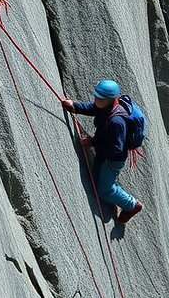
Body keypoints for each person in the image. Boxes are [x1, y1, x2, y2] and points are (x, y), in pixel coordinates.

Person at [61, 79, 143, 224]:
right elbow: (93, 108)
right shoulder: (107, 106)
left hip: (113, 160)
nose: (97, 100)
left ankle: (131, 205)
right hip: (104, 153)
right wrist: (74, 107)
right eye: (96, 96)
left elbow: (115, 149)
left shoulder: (116, 121)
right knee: (99, 176)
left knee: (104, 190)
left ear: (111, 99)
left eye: (101, 98)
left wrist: (92, 143)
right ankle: (117, 194)